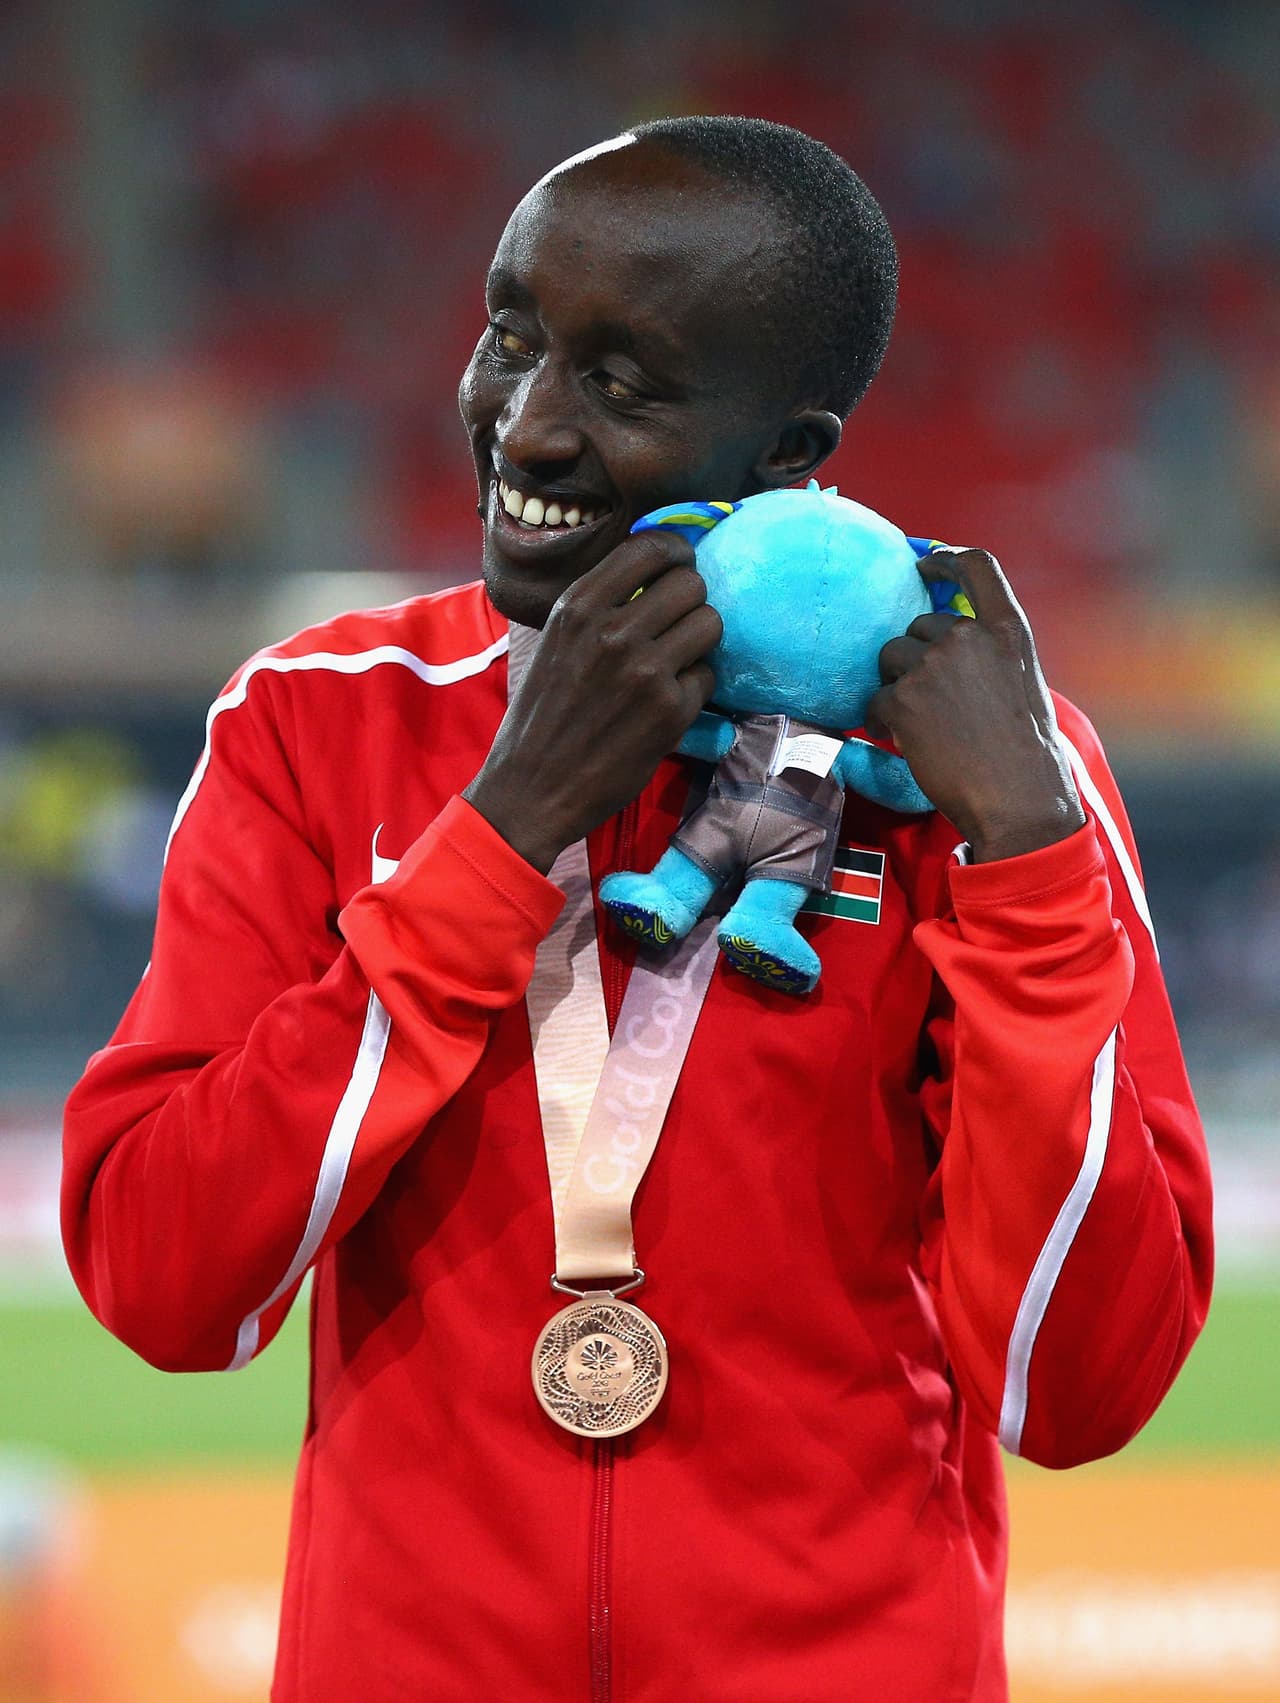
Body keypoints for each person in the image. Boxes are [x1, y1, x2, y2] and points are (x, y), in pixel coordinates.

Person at [61, 117, 1213, 1702]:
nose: (524, 429)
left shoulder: (985, 778)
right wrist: (504, 830)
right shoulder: (324, 723)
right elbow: (162, 1278)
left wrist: (1023, 849)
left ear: (790, 456)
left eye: (622, 383)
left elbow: (1078, 1388)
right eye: (510, 335)